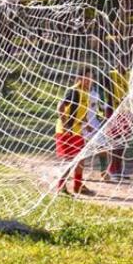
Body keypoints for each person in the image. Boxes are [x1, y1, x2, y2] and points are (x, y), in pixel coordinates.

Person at [55, 67, 97, 195]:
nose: (90, 80)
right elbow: (60, 106)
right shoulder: (74, 91)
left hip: (77, 130)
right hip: (66, 131)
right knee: (69, 159)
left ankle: (78, 186)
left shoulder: (86, 92)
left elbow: (81, 110)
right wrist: (65, 123)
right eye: (87, 77)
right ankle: (60, 187)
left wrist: (86, 123)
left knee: (81, 158)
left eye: (91, 78)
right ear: (80, 78)